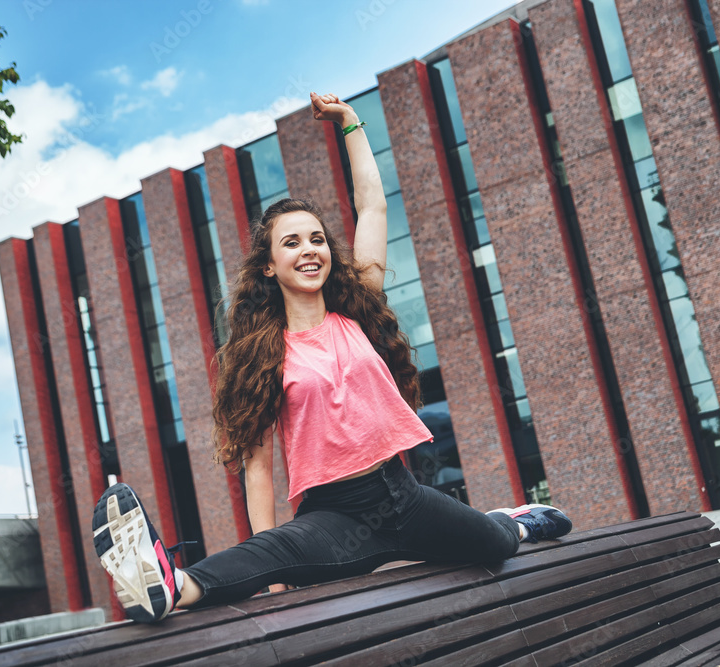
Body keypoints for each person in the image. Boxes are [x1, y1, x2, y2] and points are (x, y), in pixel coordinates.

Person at [92, 92, 573, 624]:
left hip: (404, 496)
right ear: (270, 266)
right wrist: (270, 576)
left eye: (317, 239)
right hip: (333, 518)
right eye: (292, 242)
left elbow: (372, 205)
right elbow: (258, 471)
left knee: (494, 543)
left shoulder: (357, 310)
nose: (309, 250)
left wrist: (350, 124)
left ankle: (520, 519)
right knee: (264, 557)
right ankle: (167, 583)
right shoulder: (261, 356)